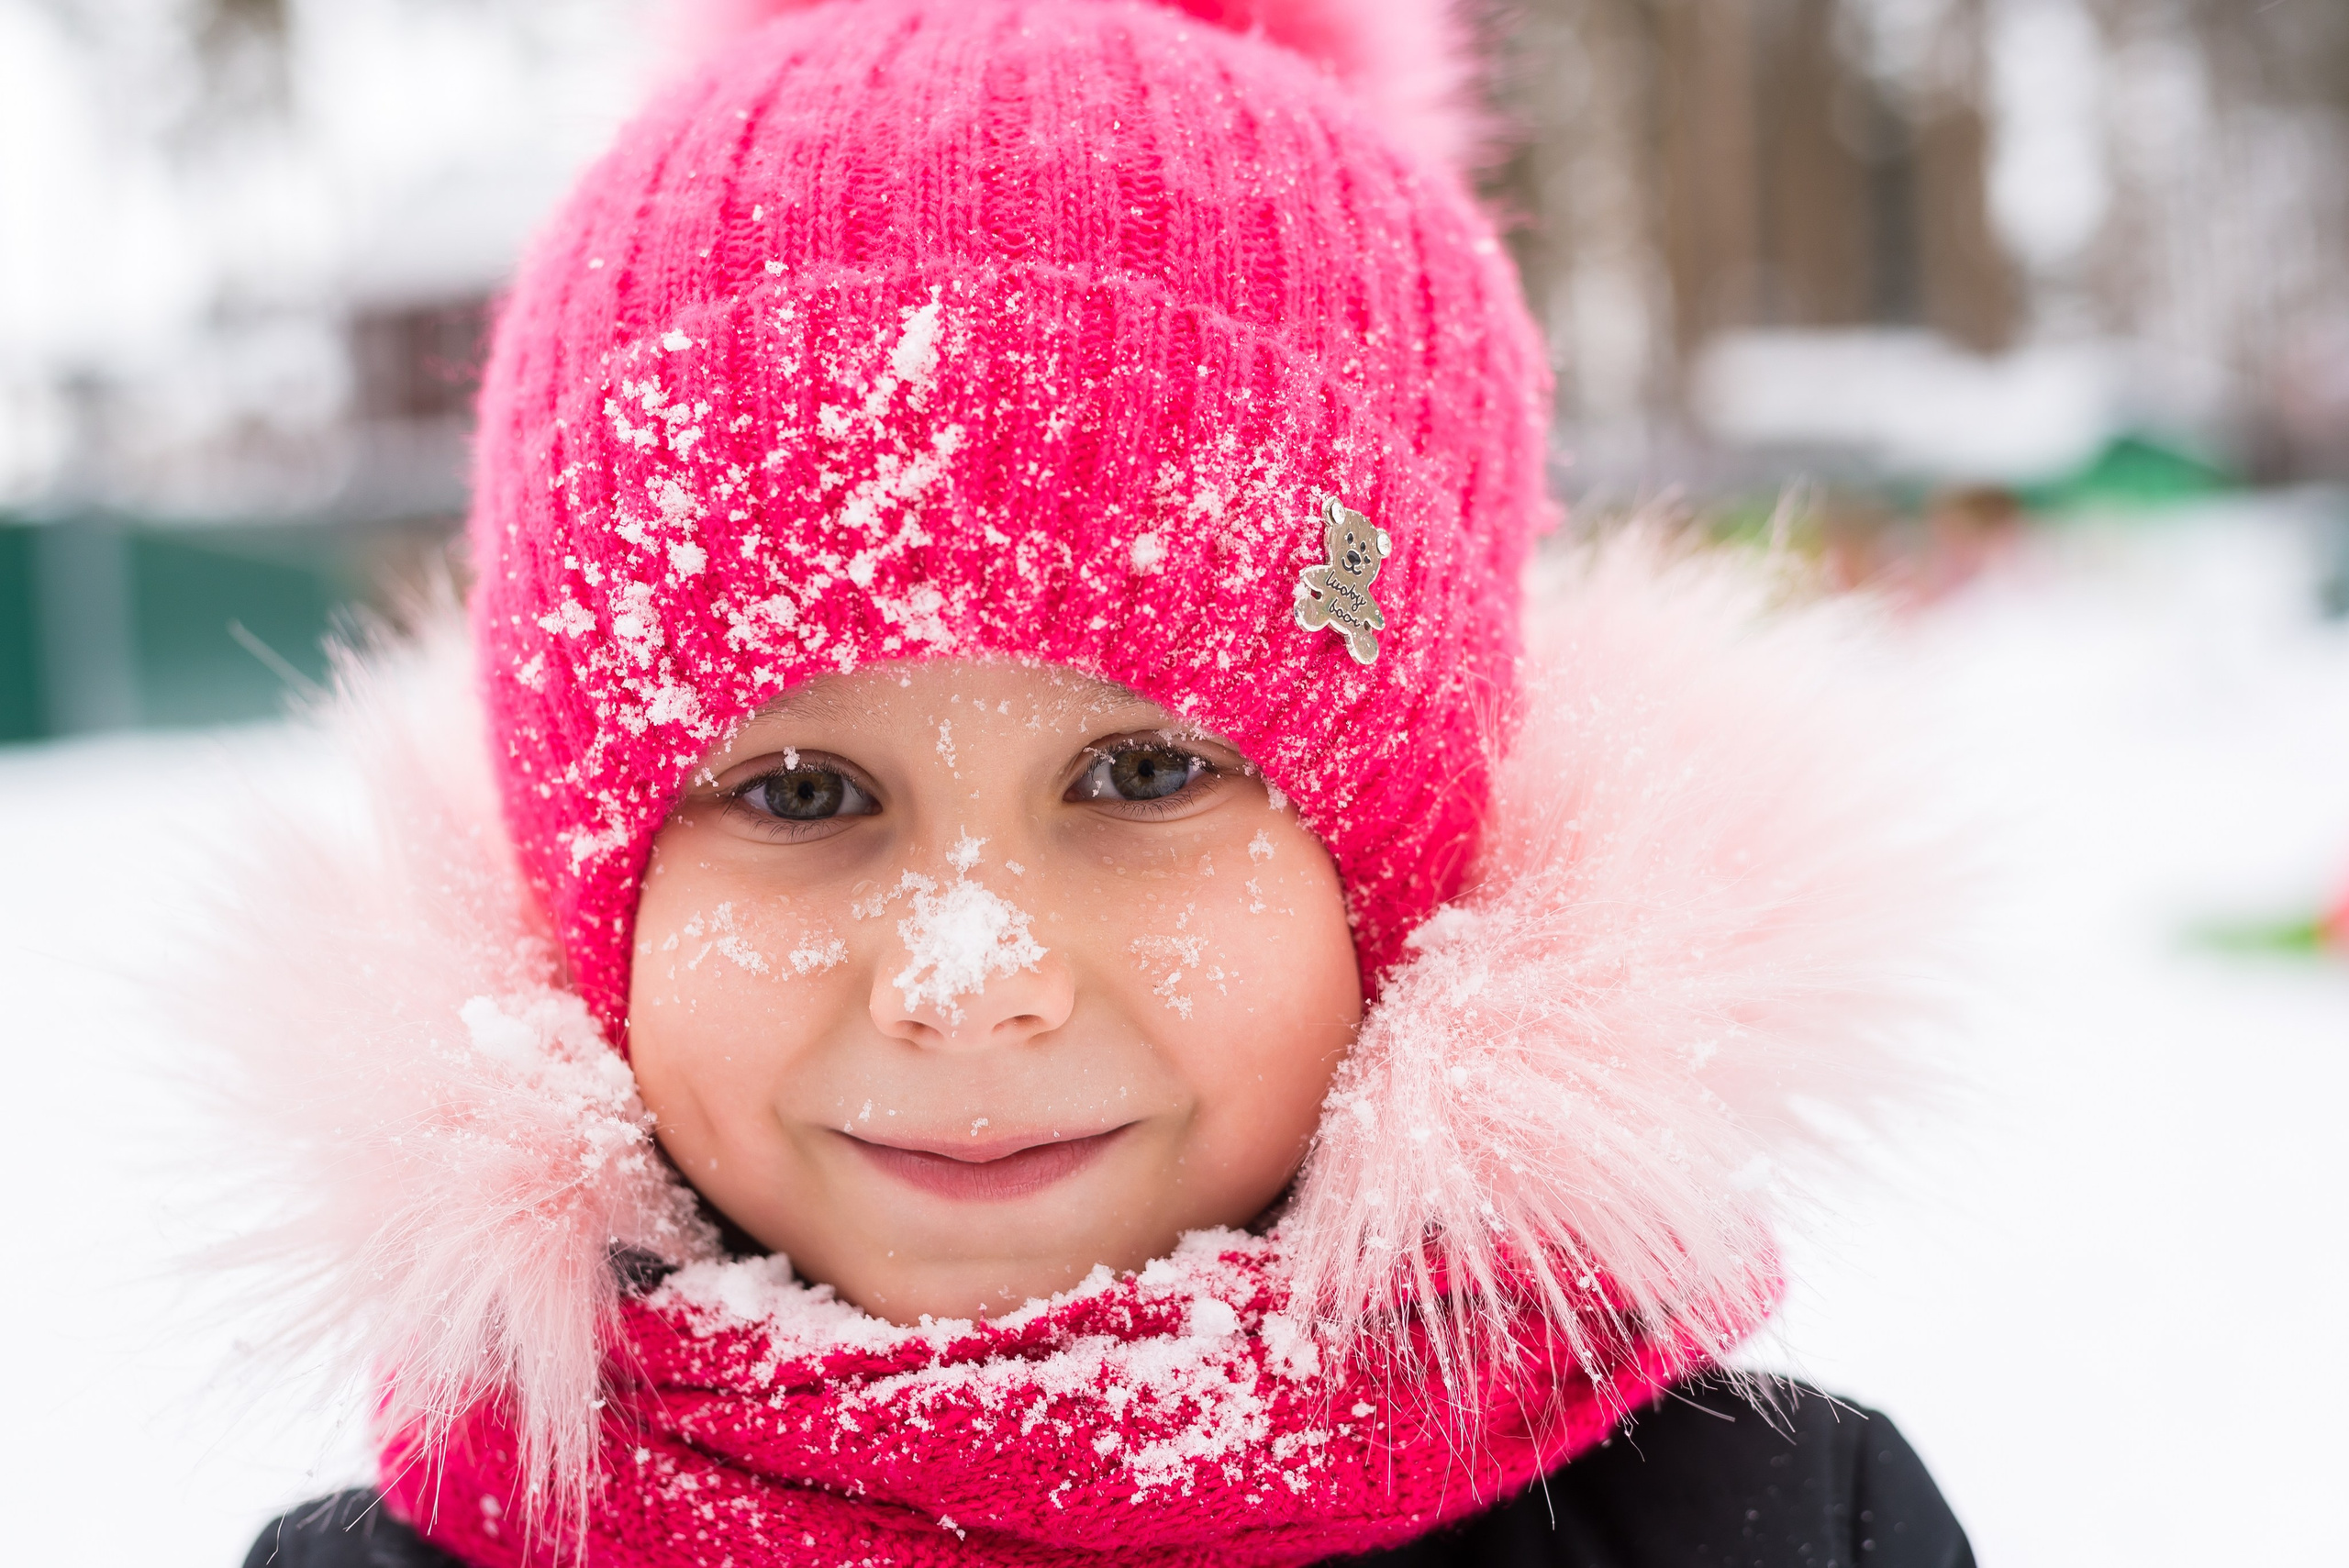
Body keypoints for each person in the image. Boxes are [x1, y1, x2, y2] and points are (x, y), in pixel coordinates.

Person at [208, 1, 1973, 1563]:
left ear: (1406, 864)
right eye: (807, 795)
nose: (970, 977)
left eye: (1141, 772)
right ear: (594, 896)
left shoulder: (1773, 1527)